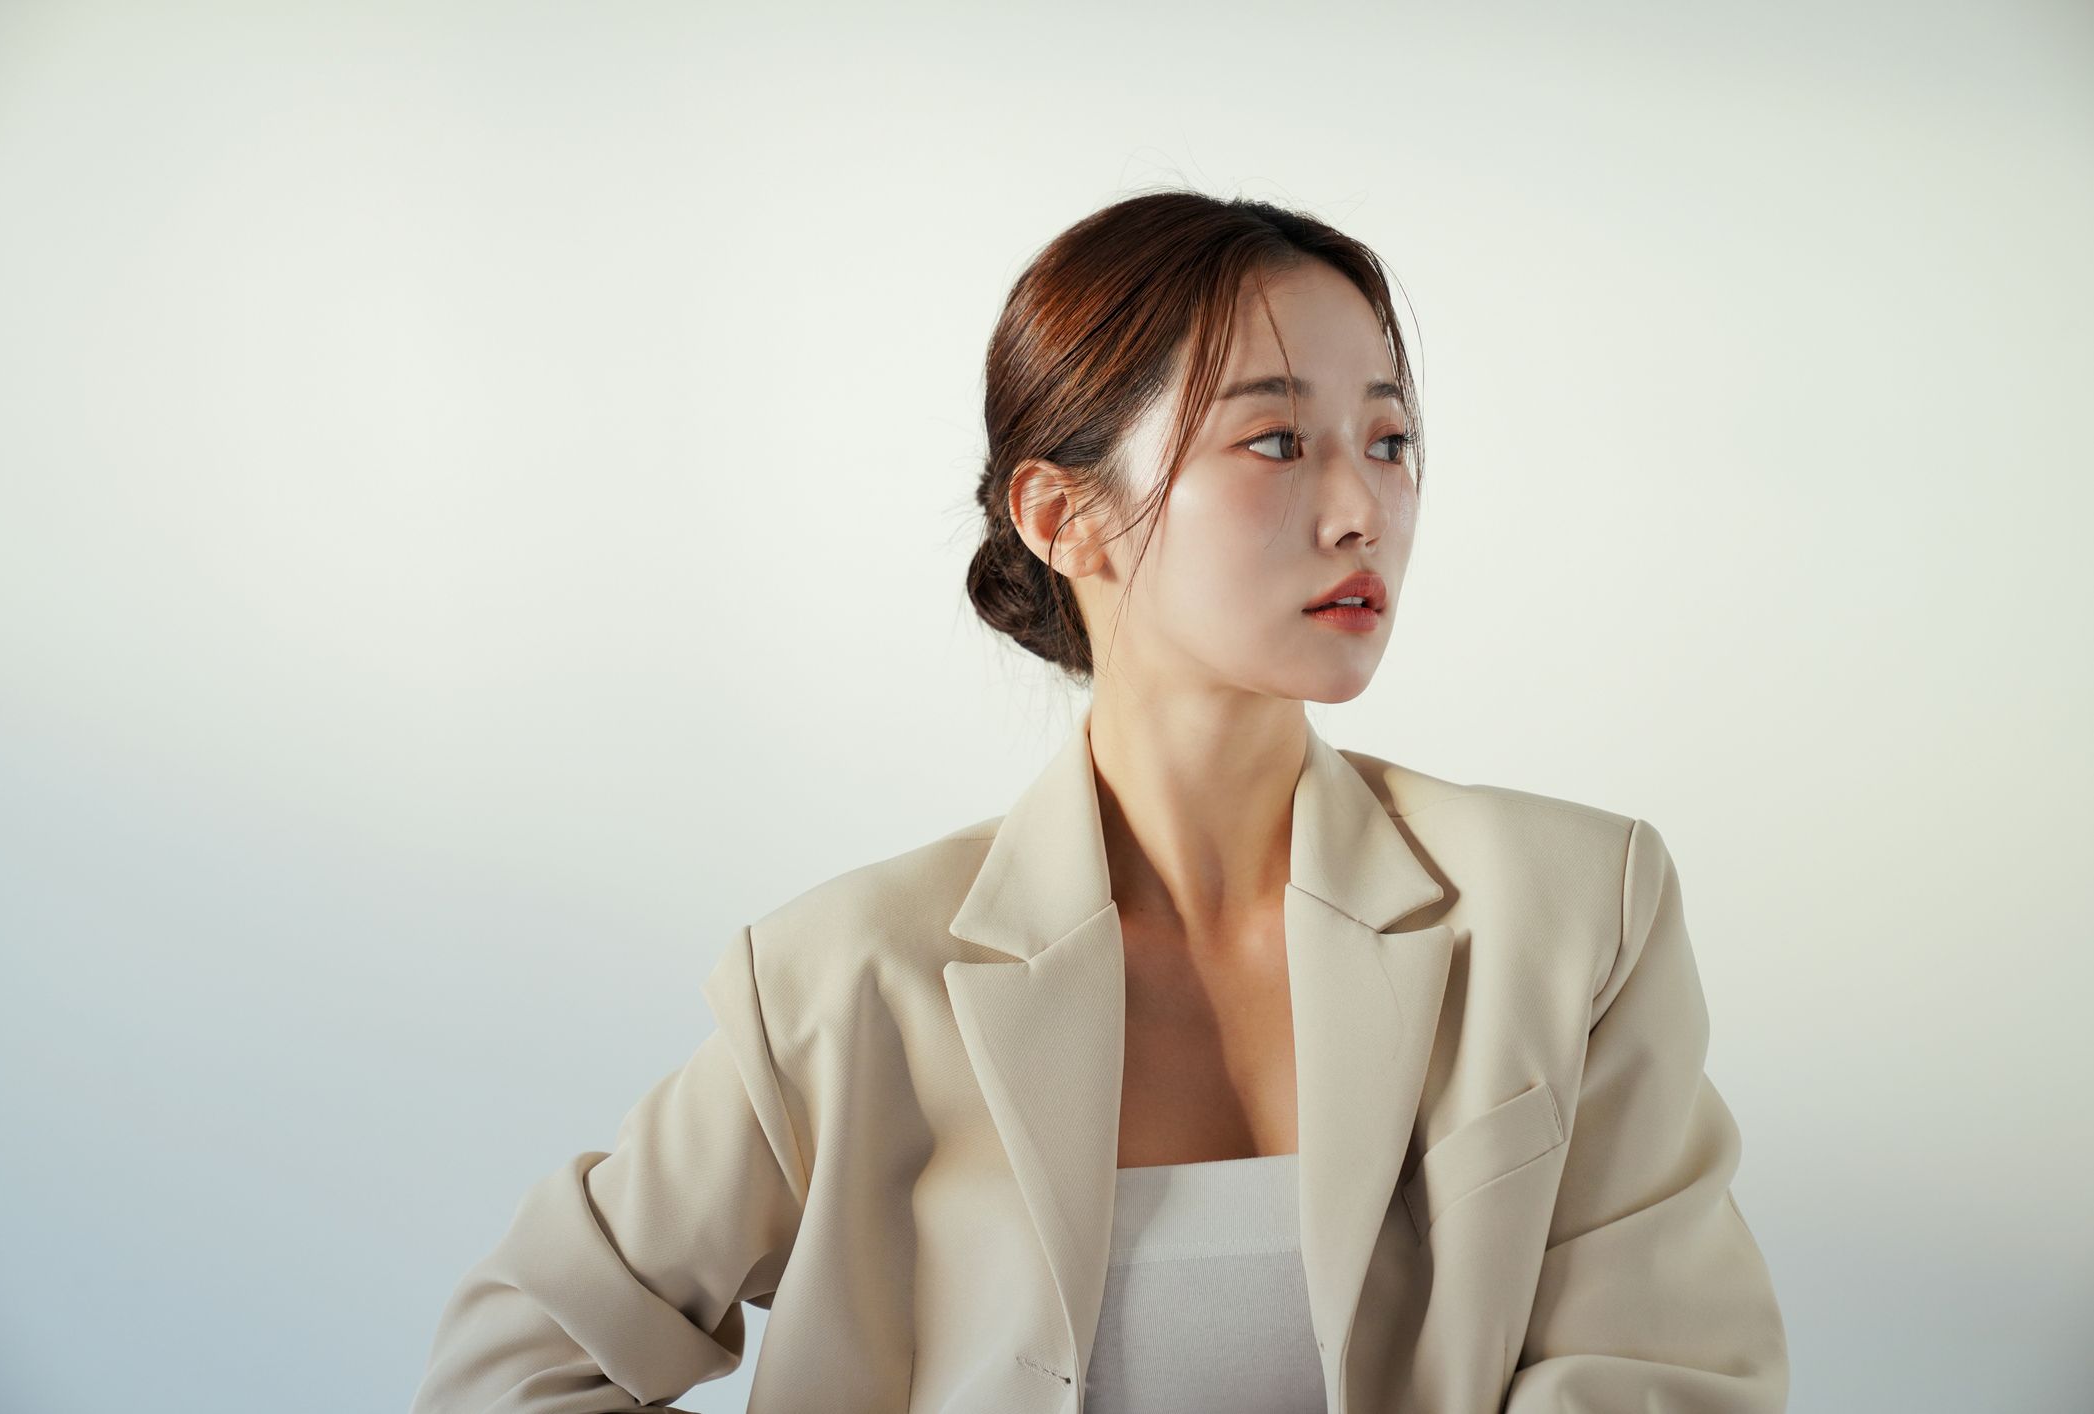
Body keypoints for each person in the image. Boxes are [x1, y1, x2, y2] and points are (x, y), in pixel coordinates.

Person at [408, 188, 1789, 1413]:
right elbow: (517, 1360)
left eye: (1389, 439)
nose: (1361, 507)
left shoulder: (1568, 906)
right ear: (1063, 516)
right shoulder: (850, 982)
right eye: (1273, 442)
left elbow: (1666, 1372)